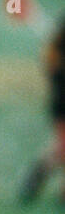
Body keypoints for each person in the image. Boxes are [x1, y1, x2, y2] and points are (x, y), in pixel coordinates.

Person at [18, 10, 65, 203]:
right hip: (62, 98)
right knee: (62, 147)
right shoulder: (58, 38)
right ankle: (36, 177)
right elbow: (51, 64)